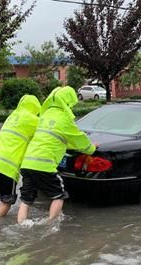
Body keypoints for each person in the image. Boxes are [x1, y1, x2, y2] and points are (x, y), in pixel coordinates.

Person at [17, 86, 96, 224]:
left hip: (27, 164)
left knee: (26, 198)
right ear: (68, 101)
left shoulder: (45, 115)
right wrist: (92, 149)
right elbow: (79, 139)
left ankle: (21, 225)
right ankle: (50, 225)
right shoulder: (64, 118)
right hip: (44, 164)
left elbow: (56, 138)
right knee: (58, 195)